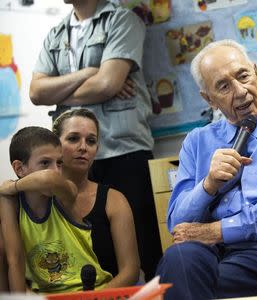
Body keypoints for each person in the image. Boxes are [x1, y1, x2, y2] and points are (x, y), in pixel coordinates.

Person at [156, 39, 257, 299]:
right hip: (209, 254)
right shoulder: (197, 141)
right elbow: (177, 225)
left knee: (186, 285)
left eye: (243, 76)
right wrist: (209, 184)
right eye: (224, 86)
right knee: (179, 257)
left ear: (256, 74)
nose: (241, 91)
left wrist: (214, 231)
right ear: (209, 99)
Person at [29, 0, 161, 279]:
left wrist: (62, 91)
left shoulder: (124, 21)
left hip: (124, 150)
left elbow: (108, 84)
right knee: (88, 250)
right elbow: (37, 93)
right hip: (73, 161)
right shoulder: (57, 33)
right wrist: (90, 73)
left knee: (143, 249)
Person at [0, 127, 112, 293]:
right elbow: (14, 260)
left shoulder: (67, 191)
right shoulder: (10, 201)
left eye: (59, 163)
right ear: (19, 168)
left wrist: (12, 186)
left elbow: (49, 179)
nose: (56, 171)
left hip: (92, 292)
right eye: (45, 163)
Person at [52, 108, 140, 287]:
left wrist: (98, 298)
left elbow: (130, 271)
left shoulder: (114, 200)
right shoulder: (34, 198)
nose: (83, 147)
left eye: (90, 141)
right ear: (54, 145)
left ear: (97, 149)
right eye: (73, 138)